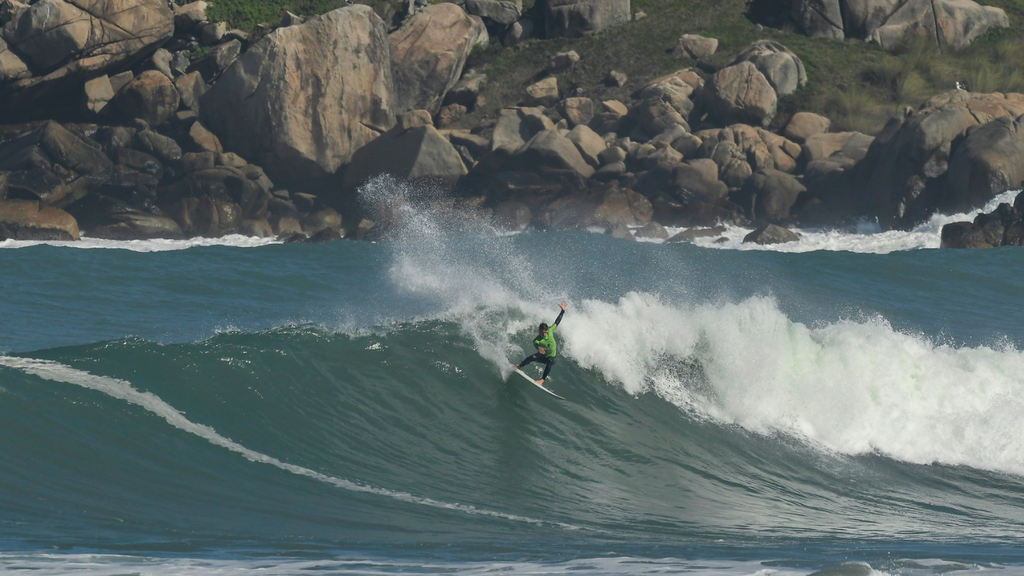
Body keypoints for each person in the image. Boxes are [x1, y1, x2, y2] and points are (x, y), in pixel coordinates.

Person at [514, 301, 567, 385]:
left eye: (545, 332)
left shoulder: (550, 330)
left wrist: (562, 311)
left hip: (552, 358)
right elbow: (536, 344)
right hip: (543, 356)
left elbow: (557, 321)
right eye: (542, 332)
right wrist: (538, 347)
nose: (544, 334)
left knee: (550, 360)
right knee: (532, 357)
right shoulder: (537, 339)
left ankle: (542, 380)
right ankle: (519, 366)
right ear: (539, 331)